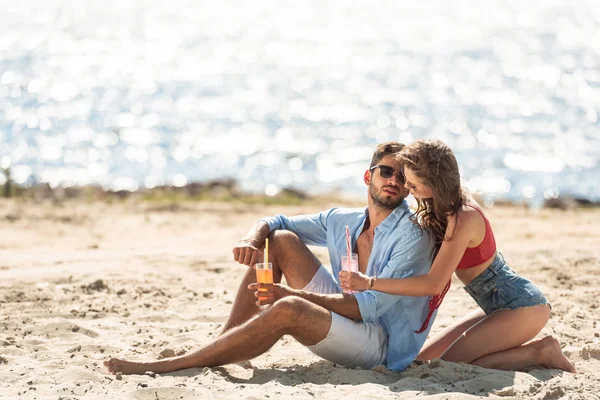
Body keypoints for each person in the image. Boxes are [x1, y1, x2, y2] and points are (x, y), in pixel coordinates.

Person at [104, 142, 436, 375]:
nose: (393, 181)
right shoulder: (342, 220)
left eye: (401, 178)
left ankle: (183, 363)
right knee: (279, 242)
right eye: (386, 172)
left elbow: (367, 308)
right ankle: (222, 344)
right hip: (346, 319)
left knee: (289, 309)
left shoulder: (411, 235)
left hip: (379, 346)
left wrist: (290, 295)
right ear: (369, 176)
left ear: (409, 188)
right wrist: (252, 238)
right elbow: (278, 222)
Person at [339, 139, 576, 373]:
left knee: (447, 368)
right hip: (493, 305)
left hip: (522, 306)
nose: (409, 191)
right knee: (422, 361)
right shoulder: (445, 207)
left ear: (433, 182)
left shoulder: (463, 216)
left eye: (413, 185)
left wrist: (370, 283)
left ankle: (541, 352)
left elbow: (433, 284)